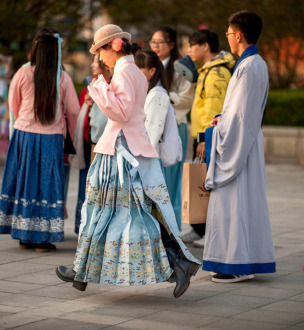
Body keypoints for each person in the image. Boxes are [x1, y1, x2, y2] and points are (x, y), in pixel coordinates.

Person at [56, 24, 200, 298]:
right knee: (124, 212)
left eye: (99, 51)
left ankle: (83, 270)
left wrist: (97, 87)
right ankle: (82, 270)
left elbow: (120, 112)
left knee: (105, 211)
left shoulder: (123, 71)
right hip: (128, 151)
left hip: (120, 155)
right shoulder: (132, 70)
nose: (99, 58)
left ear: (113, 46)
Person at [203, 10, 276, 283]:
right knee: (241, 204)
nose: (228, 38)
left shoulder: (249, 66)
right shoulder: (252, 64)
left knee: (234, 205)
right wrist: (223, 119)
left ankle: (235, 264)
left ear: (239, 35)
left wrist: (218, 130)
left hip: (239, 145)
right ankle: (241, 260)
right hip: (244, 140)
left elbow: (241, 116)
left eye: (229, 34)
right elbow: (238, 111)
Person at [0, 28, 79, 253]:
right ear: (56, 52)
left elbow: (13, 105)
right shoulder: (62, 77)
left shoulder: (22, 74)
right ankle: (42, 239)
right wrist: (71, 135)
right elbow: (73, 111)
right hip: (51, 138)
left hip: (24, 136)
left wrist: (23, 123)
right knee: (47, 186)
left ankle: (24, 236)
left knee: (24, 183)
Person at [181, 29, 236, 247]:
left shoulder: (216, 73)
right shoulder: (207, 70)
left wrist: (205, 138)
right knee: (202, 184)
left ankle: (210, 232)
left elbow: (215, 108)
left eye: (192, 46)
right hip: (203, 135)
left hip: (209, 136)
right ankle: (200, 228)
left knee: (209, 185)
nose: (188, 51)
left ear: (205, 46)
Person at [150, 27, 194, 231]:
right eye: (153, 41)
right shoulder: (150, 65)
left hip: (174, 128)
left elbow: (186, 98)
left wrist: (161, 98)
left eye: (161, 42)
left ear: (172, 44)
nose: (156, 46)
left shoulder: (181, 68)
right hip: (153, 130)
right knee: (156, 182)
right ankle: (156, 229)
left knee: (171, 184)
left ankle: (171, 231)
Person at [73, 55, 111, 234]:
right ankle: (84, 227)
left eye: (95, 61)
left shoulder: (109, 85)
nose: (92, 65)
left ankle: (95, 229)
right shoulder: (93, 84)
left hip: (104, 142)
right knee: (89, 186)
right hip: (93, 141)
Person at [135, 50, 170, 155]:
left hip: (148, 157)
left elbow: (152, 134)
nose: (135, 72)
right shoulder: (148, 92)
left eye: (140, 68)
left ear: (152, 71)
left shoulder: (157, 95)